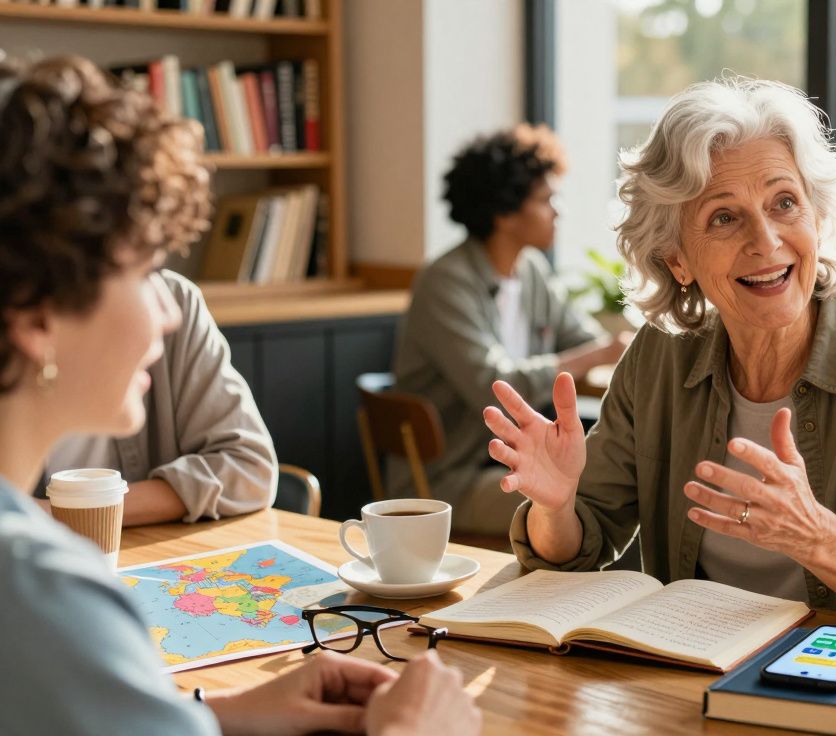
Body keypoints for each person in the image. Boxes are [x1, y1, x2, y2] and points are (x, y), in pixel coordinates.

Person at [0, 55, 480, 735]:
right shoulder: (43, 595)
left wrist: (217, 714)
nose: (166, 313)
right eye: (142, 272)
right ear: (36, 313)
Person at [484, 78, 836, 633]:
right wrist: (555, 507)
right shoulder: (661, 355)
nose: (767, 241)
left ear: (817, 218)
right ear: (677, 259)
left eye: (785, 203)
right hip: (692, 671)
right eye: (724, 217)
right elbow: (580, 545)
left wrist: (814, 534)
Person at [393, 124, 627, 536]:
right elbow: (493, 384)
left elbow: (582, 336)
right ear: (504, 212)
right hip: (451, 482)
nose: (558, 210)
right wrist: (598, 354)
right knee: (587, 496)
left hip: (515, 464)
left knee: (612, 485)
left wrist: (619, 347)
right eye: (546, 199)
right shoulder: (445, 281)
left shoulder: (530, 270)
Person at [40, 268, 276, 526]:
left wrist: (62, 514)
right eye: (142, 271)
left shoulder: (176, 302)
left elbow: (249, 471)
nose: (169, 314)